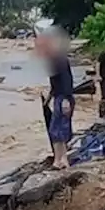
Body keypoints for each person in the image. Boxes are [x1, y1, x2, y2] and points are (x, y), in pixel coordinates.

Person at [38, 28, 75, 169]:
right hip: (59, 97)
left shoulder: (60, 60)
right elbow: (55, 83)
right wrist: (48, 98)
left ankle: (63, 159)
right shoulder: (53, 61)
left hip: (64, 98)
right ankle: (58, 159)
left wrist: (66, 99)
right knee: (55, 130)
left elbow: (66, 80)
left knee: (60, 129)